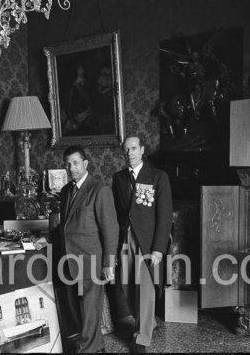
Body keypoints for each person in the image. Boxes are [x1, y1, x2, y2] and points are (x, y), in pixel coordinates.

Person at [111, 136, 173, 352]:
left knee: (145, 288)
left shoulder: (157, 176)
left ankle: (142, 337)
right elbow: (117, 214)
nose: (130, 153)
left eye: (134, 148)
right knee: (128, 286)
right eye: (126, 149)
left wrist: (158, 249)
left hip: (147, 243)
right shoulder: (118, 179)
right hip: (125, 240)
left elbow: (164, 216)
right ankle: (149, 322)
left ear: (142, 149)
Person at [59, 145, 119, 353]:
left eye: (75, 163)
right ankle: (97, 347)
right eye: (68, 164)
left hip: (91, 260)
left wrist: (108, 263)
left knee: (90, 309)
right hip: (69, 260)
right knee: (77, 309)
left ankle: (87, 349)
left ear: (85, 164)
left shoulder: (99, 190)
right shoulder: (66, 191)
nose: (71, 168)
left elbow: (111, 229)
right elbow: (65, 226)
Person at [64, 64, 93, 135]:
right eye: (79, 69)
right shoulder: (72, 85)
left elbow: (86, 96)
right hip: (76, 112)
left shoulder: (85, 82)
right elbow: (69, 101)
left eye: (82, 69)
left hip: (85, 111)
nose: (81, 70)